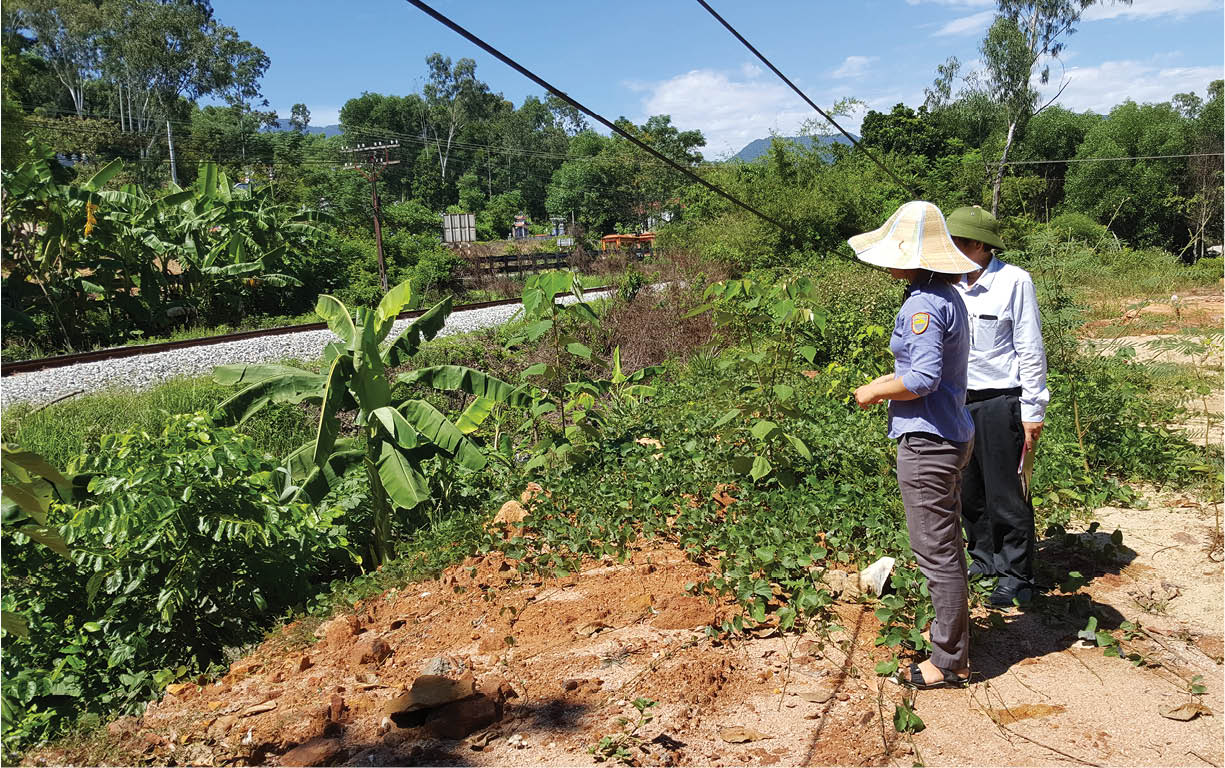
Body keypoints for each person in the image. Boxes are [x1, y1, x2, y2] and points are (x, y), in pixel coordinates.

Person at [851, 201, 979, 689]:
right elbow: (929, 370)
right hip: (950, 431)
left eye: (895, 250)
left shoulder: (922, 304)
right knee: (945, 545)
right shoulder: (945, 294)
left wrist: (873, 391)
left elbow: (922, 378)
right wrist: (886, 380)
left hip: (929, 440)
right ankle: (953, 638)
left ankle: (948, 661)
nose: (886, 261)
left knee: (936, 550)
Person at [945, 205, 1049, 607]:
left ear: (978, 246)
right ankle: (983, 557)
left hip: (999, 400)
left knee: (1006, 492)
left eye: (956, 242)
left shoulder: (1014, 282)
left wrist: (1032, 409)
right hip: (957, 400)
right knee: (969, 490)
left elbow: (1029, 347)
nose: (949, 249)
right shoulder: (947, 284)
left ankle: (1016, 573)